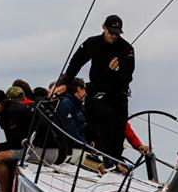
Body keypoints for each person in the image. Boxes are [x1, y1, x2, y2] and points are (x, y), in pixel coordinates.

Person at [52, 14, 134, 164]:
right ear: (104, 27)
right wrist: (65, 82)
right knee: (104, 116)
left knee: (118, 128)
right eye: (111, 32)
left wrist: (115, 70)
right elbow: (76, 62)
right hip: (98, 90)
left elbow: (127, 77)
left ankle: (114, 162)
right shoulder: (92, 43)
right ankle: (102, 158)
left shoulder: (126, 49)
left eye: (117, 33)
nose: (114, 36)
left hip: (118, 93)